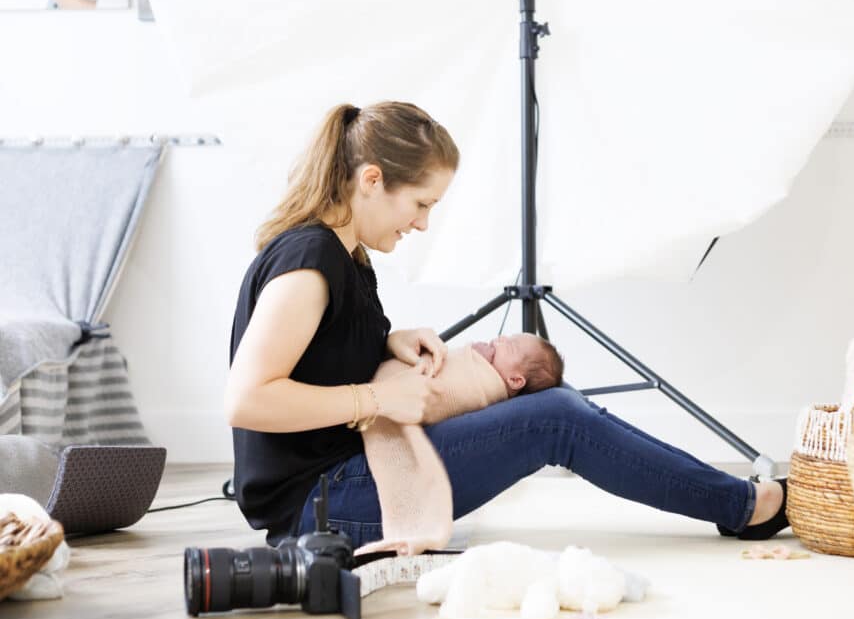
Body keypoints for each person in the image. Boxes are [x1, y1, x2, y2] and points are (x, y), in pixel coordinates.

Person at [226, 100, 789, 551]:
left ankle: (740, 501)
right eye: (421, 203)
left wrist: (384, 341)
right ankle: (748, 506)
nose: (423, 223)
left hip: (353, 473)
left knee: (559, 406)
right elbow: (248, 400)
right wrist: (374, 397)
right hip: (322, 503)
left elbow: (316, 356)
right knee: (558, 417)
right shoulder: (310, 262)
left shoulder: (348, 259)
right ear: (371, 180)